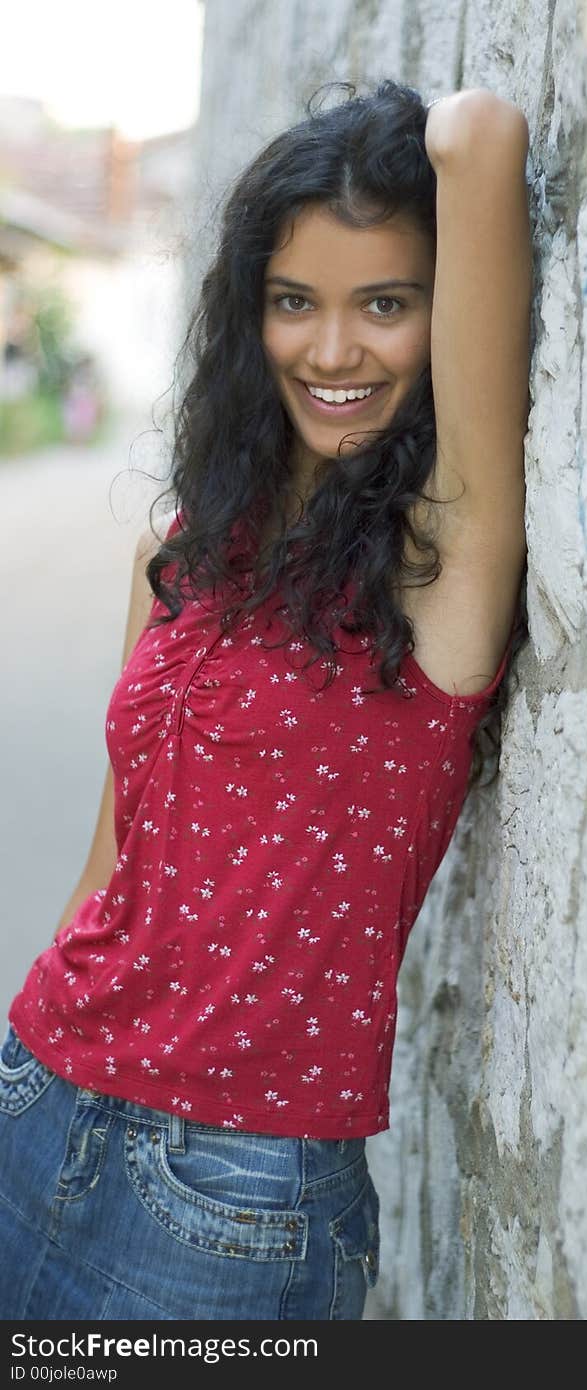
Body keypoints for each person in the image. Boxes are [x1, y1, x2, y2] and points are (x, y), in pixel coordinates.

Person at [0, 78, 532, 1321]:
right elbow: (112, 856)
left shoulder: (437, 567)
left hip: (232, 1201)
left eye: (385, 304)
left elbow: (480, 139)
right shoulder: (179, 558)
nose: (332, 349)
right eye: (294, 301)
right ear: (252, 319)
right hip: (36, 1090)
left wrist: (398, 145)